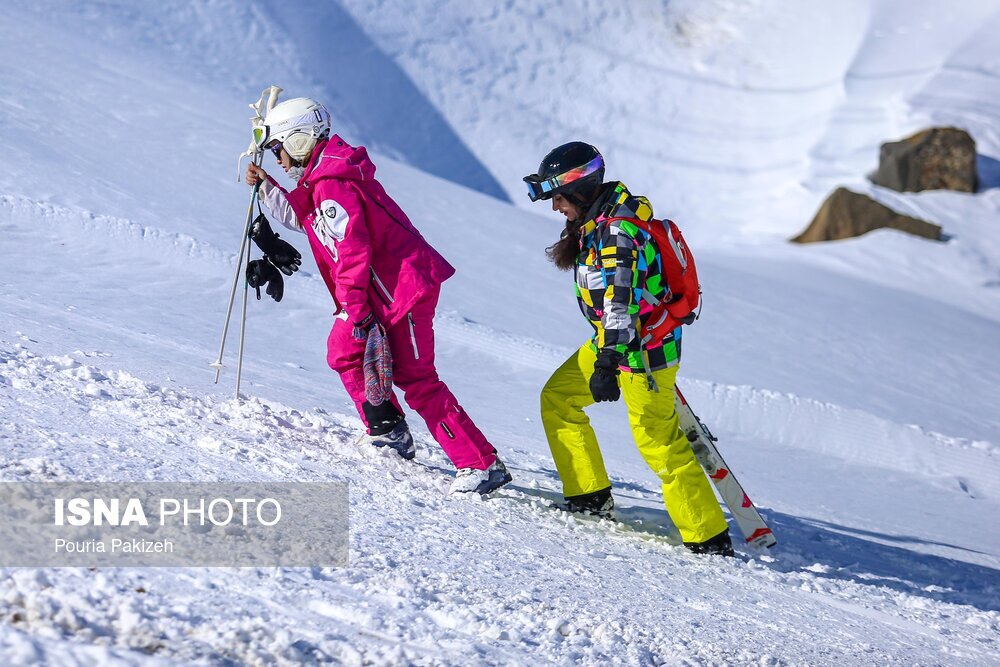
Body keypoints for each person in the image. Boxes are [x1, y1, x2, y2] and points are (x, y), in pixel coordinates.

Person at [245, 96, 511, 496]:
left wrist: (354, 309)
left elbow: (352, 246)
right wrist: (267, 188)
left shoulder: (332, 181)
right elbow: (312, 221)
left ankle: (480, 463)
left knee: (415, 376)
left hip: (403, 289)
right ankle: (388, 429)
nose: (279, 160)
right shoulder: (322, 178)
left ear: (298, 140)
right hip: (380, 292)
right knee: (343, 352)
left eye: (279, 150)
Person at [523, 142, 734, 556]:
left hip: (642, 355)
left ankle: (707, 536)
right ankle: (589, 495)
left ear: (580, 189)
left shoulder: (617, 233)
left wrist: (607, 362)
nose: (555, 208)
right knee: (559, 397)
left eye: (559, 198)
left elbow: (620, 302)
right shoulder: (601, 221)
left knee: (659, 443)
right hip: (616, 344)